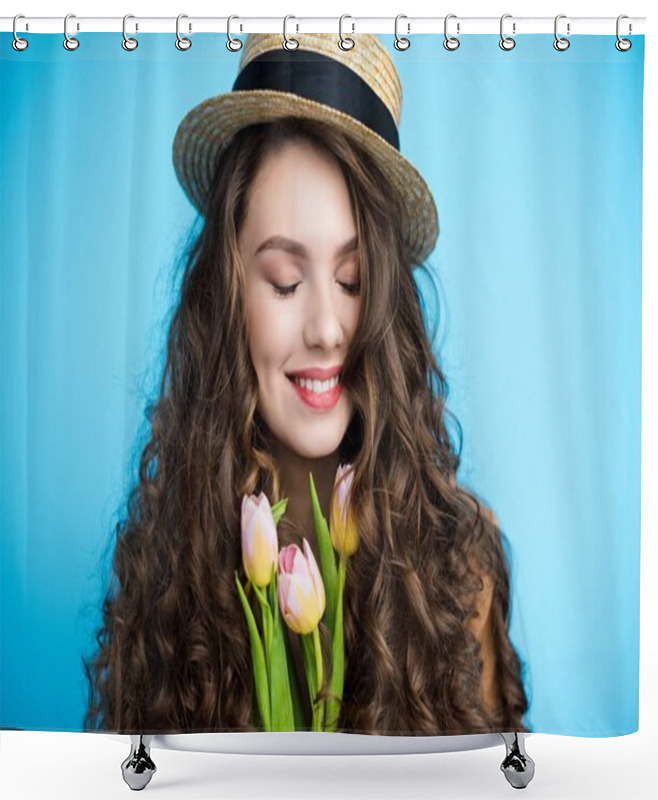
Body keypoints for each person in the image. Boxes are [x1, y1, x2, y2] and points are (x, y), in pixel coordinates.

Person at [84, 32, 529, 736]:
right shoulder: (169, 561)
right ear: (226, 295)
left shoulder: (462, 562)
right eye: (286, 281)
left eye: (352, 282)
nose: (326, 328)